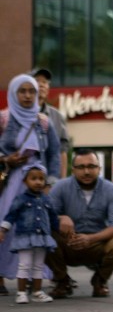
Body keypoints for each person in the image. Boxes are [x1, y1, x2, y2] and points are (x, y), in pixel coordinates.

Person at [0, 74, 61, 296]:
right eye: (22, 91)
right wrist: (6, 160)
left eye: (32, 91)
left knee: (36, 229)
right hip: (9, 183)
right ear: (14, 93)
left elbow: (54, 155)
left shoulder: (44, 121)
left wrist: (50, 184)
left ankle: (27, 278)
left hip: (36, 185)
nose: (27, 96)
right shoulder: (4, 119)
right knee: (6, 226)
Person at [46, 149, 113, 298]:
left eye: (91, 166)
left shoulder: (112, 190)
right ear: (73, 170)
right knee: (42, 237)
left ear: (99, 168)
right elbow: (45, 216)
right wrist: (60, 218)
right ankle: (62, 281)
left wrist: (90, 239)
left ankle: (100, 280)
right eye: (81, 167)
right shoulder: (60, 187)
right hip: (67, 242)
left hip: (97, 243)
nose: (86, 171)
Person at [0, 164, 58, 304]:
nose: (38, 182)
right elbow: (11, 216)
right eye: (33, 178)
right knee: (24, 265)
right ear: (25, 181)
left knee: (38, 265)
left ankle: (37, 291)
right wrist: (3, 230)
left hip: (42, 238)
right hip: (24, 238)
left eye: (41, 179)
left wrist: (58, 231)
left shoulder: (46, 199)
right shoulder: (21, 199)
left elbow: (53, 217)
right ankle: (21, 292)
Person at [32, 68, 70, 179]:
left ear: (48, 88)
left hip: (50, 180)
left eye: (44, 82)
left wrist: (61, 182)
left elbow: (62, 151)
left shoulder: (57, 117)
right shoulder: (17, 115)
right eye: (37, 81)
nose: (41, 85)